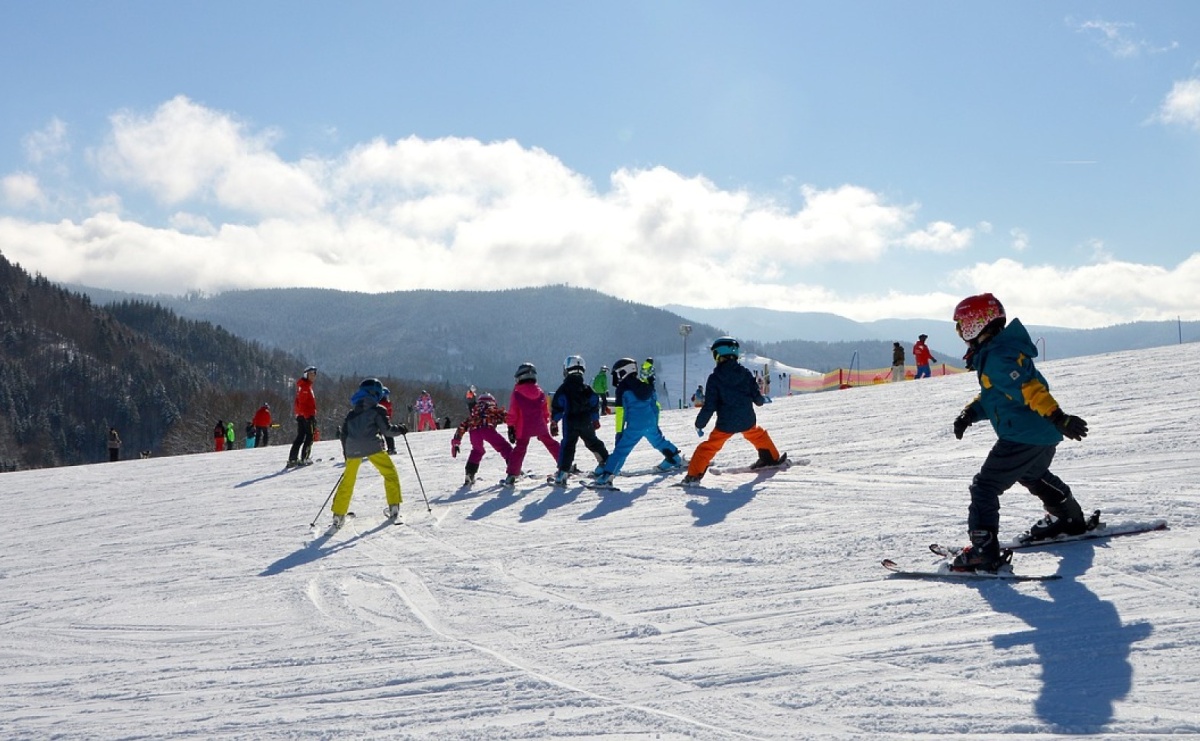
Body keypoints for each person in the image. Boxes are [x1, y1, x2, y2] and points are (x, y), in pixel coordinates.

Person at [948, 293, 1092, 572]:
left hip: (1023, 435)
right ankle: (1068, 518)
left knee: (985, 487)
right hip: (1041, 434)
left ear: (979, 324)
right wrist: (970, 414)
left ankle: (983, 551)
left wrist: (1059, 416)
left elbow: (1030, 391)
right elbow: (996, 396)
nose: (962, 334)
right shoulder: (999, 353)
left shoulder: (999, 358)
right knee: (1032, 474)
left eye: (963, 326)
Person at [682, 337, 784, 485]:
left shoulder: (715, 378)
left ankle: (693, 475)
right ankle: (772, 458)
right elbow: (757, 397)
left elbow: (710, 405)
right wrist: (761, 400)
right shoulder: (745, 373)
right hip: (747, 419)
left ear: (718, 355)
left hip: (726, 424)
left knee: (709, 447)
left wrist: (700, 424)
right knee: (758, 435)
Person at [329, 378, 408, 530]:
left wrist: (347, 455)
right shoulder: (379, 409)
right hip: (373, 446)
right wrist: (401, 429)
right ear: (375, 393)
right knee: (389, 473)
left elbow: (344, 435)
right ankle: (394, 508)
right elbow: (387, 431)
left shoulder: (351, 414)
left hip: (352, 448)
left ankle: (338, 516)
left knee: (348, 481)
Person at [593, 358, 684, 486]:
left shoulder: (622, 389)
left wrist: (619, 432)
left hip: (635, 426)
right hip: (650, 422)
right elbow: (655, 406)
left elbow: (621, 413)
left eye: (617, 374)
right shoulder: (645, 385)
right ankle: (674, 458)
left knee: (621, 450)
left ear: (624, 371)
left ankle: (607, 476)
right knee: (658, 441)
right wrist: (655, 424)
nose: (616, 378)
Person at [550, 356, 609, 486]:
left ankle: (563, 473)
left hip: (570, 422)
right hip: (586, 421)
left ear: (566, 370)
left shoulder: (563, 389)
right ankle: (606, 463)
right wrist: (595, 419)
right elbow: (594, 403)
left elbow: (558, 406)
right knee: (592, 442)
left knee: (568, 446)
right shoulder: (587, 388)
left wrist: (554, 421)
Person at [501, 362, 561, 487]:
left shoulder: (517, 392)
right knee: (551, 443)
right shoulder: (539, 392)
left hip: (524, 427)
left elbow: (513, 411)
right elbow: (545, 411)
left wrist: (511, 427)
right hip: (540, 425)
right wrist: (545, 423)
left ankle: (512, 475)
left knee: (520, 449)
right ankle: (565, 464)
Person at [451, 392, 513, 486]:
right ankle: (513, 471)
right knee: (504, 447)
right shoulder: (492, 408)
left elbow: (462, 426)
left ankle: (469, 474)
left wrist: (456, 442)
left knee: (477, 451)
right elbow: (506, 417)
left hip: (474, 431)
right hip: (487, 429)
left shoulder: (474, 412)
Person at [287, 366, 318, 468]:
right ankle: (304, 458)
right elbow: (302, 403)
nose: (313, 376)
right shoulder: (305, 387)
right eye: (311, 374)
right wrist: (307, 416)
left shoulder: (304, 385)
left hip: (302, 415)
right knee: (309, 436)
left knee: (300, 437)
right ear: (306, 375)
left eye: (314, 374)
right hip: (306, 415)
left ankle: (293, 459)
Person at [379, 387, 397, 454]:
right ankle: (391, 448)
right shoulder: (388, 404)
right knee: (388, 434)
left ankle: (380, 447)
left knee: (377, 434)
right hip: (385, 421)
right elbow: (390, 413)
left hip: (377, 422)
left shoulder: (378, 404)